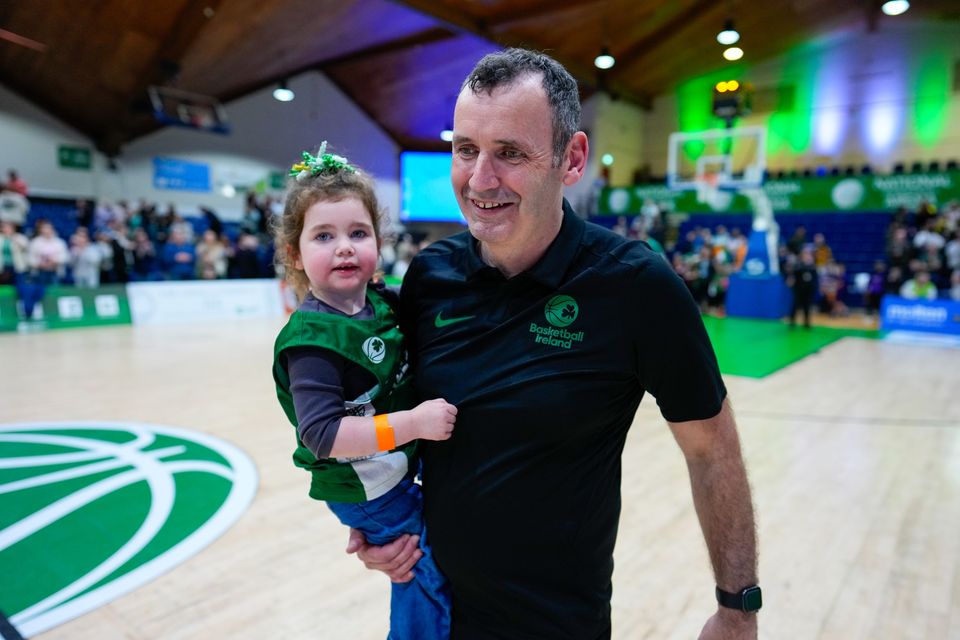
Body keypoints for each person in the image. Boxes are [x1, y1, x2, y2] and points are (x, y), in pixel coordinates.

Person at [348, 48, 759, 639]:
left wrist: (737, 608)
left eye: (510, 153)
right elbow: (391, 419)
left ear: (572, 159)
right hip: (429, 612)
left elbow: (711, 451)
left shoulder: (636, 288)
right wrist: (376, 523)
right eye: (466, 150)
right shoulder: (429, 275)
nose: (480, 179)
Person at [271, 145, 456, 639]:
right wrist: (414, 424)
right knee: (422, 567)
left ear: (379, 240)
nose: (345, 247)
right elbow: (322, 435)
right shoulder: (312, 340)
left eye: (358, 233)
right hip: (365, 486)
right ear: (295, 254)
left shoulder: (381, 301)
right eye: (324, 236)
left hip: (387, 475)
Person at [785, 246, 818, 327]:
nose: (807, 256)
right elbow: (792, 276)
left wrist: (814, 288)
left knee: (807, 307)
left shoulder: (812, 267)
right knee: (795, 306)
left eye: (808, 255)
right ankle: (792, 322)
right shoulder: (798, 266)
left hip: (808, 290)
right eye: (805, 255)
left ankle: (806, 323)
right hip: (798, 290)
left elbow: (815, 279)